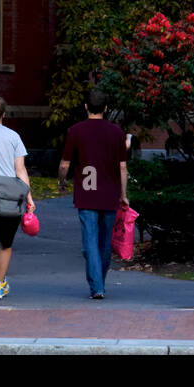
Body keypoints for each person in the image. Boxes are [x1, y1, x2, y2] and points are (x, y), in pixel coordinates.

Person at [58, 88, 129, 299]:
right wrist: (123, 194)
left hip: (87, 193)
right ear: (106, 108)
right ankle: (100, 282)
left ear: (86, 107)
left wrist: (62, 181)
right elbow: (122, 167)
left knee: (90, 240)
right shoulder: (116, 132)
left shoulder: (76, 131)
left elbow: (65, 163)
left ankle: (97, 285)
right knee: (105, 242)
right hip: (110, 193)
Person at [0, 95, 34, 300]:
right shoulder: (13, 136)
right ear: (4, 114)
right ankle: (0, 283)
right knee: (6, 242)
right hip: (12, 197)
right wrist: (28, 196)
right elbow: (20, 169)